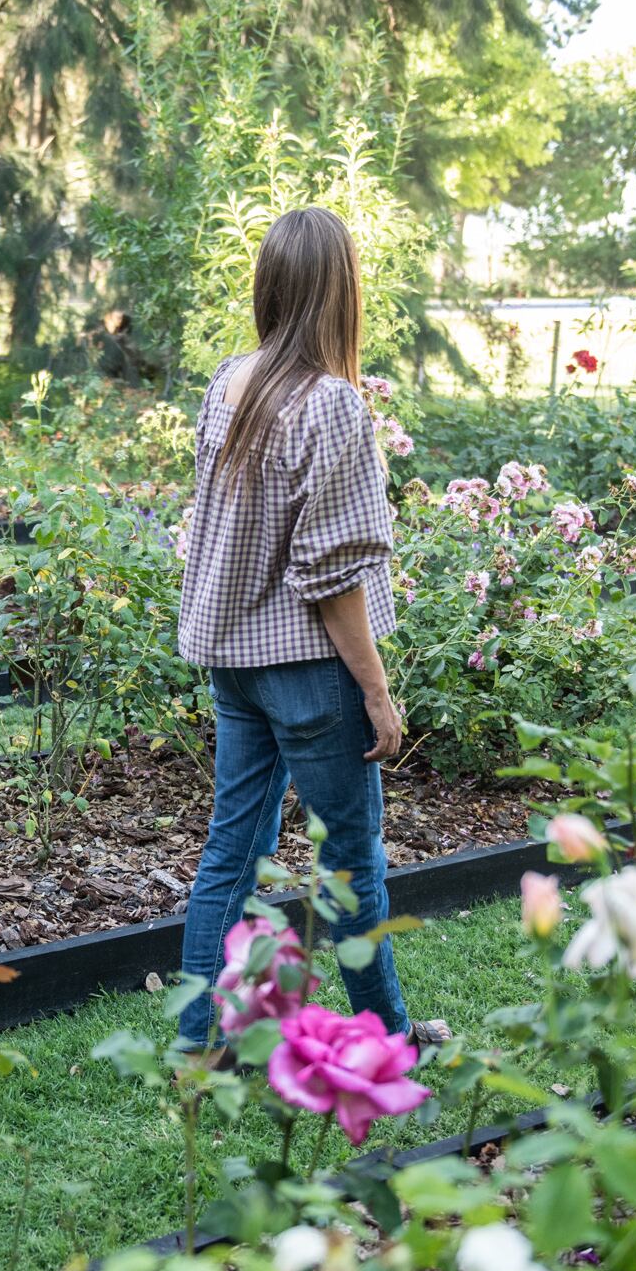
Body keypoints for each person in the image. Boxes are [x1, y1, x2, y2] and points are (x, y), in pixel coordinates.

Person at [175, 204, 447, 1058]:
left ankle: (200, 1042)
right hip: (307, 669)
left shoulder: (231, 380)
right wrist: (376, 690)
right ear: (340, 292)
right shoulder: (329, 402)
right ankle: (386, 1041)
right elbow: (331, 576)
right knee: (351, 866)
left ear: (270, 288)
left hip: (236, 666)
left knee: (232, 851)